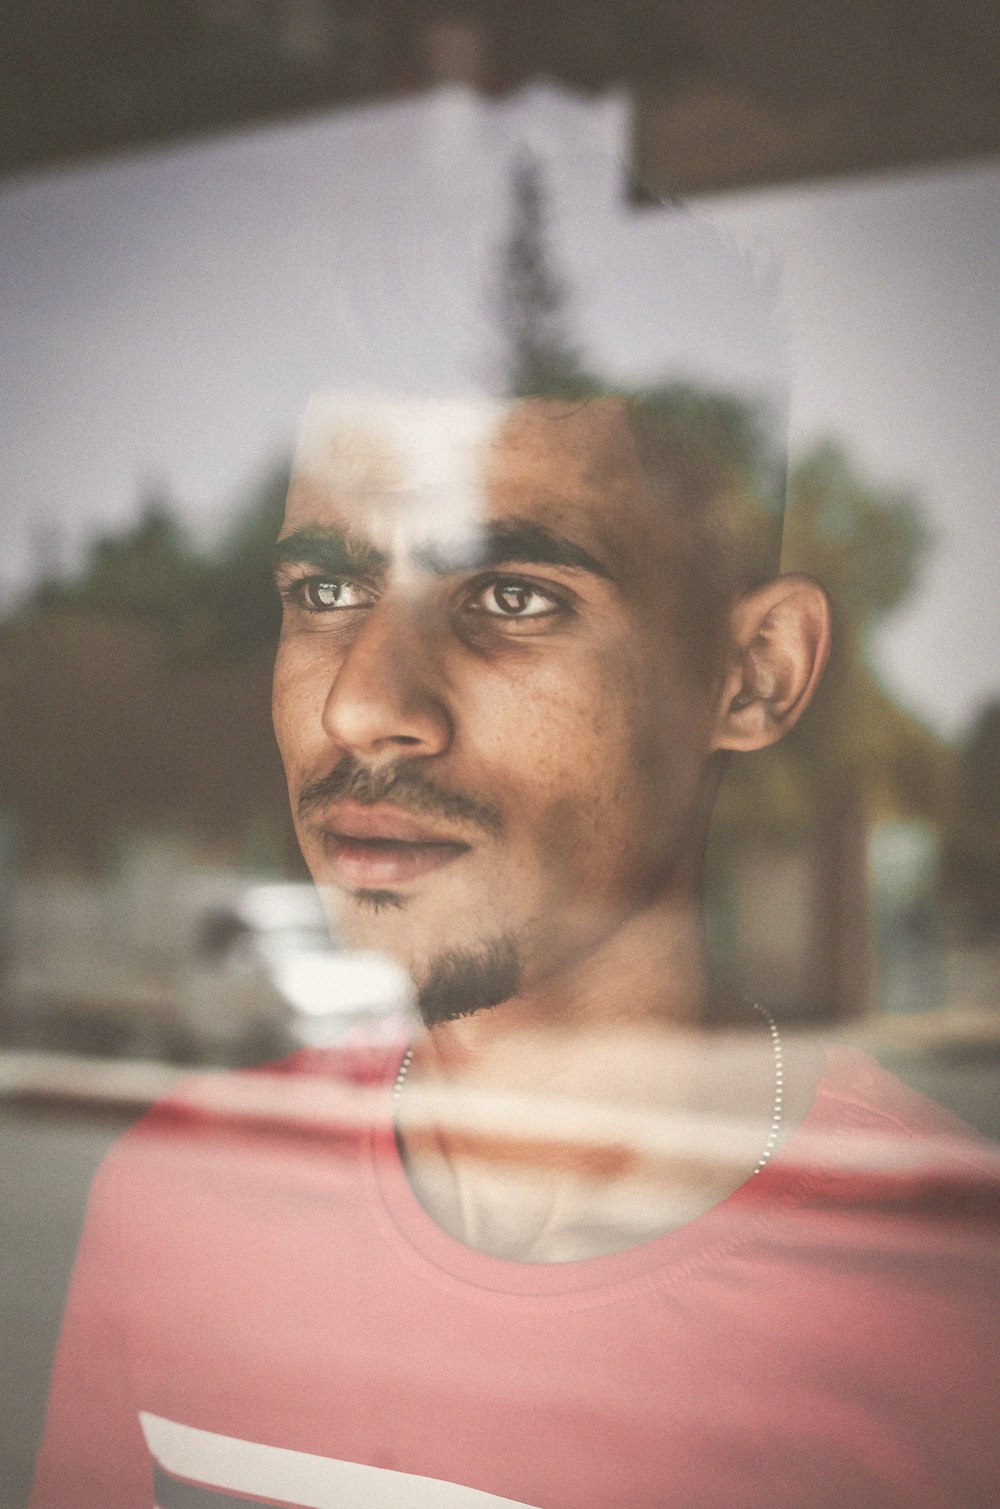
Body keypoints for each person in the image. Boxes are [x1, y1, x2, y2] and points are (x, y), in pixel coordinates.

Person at [30, 393, 1000, 1508]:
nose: (361, 705)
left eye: (512, 595)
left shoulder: (952, 1315)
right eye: (327, 592)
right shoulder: (176, 1204)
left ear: (753, 671)